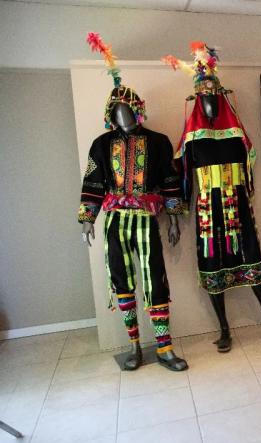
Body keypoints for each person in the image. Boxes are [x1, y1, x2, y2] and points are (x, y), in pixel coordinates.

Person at [80, 32, 187, 371]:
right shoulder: (101, 144)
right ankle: (134, 345)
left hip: (145, 220)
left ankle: (165, 348)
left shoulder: (159, 142)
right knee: (121, 279)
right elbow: (93, 182)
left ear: (138, 109)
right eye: (118, 111)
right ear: (111, 114)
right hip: (115, 221)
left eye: (128, 110)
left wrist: (173, 218)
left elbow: (170, 181)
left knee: (155, 278)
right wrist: (87, 219)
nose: (123, 116)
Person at [164, 42, 261, 352]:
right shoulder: (191, 138)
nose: (209, 103)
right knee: (211, 265)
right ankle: (225, 329)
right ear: (196, 100)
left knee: (252, 259)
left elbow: (250, 159)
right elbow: (179, 171)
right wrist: (176, 210)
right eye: (204, 98)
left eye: (214, 97)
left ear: (222, 96)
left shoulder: (236, 133)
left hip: (238, 206)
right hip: (207, 210)